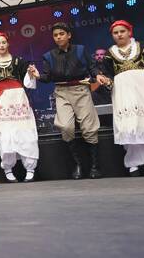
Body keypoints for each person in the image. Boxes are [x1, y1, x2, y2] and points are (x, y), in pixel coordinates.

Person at [36, 23, 108, 179]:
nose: (58, 37)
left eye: (61, 34)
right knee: (66, 127)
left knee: (89, 128)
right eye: (55, 35)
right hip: (61, 92)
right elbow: (47, 77)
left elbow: (92, 67)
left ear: (69, 35)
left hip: (81, 90)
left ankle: (95, 166)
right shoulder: (49, 56)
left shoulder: (80, 50)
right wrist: (36, 76)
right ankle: (78, 164)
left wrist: (98, 75)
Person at [101, 20, 144, 176]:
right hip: (122, 91)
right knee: (129, 125)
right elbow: (107, 74)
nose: (119, 34)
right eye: (116, 32)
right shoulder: (109, 54)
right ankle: (134, 164)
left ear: (129, 32)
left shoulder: (143, 46)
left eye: (122, 31)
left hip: (143, 89)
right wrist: (106, 80)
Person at [0, 33, 40, 183]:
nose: (1, 45)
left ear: (8, 44)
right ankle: (8, 169)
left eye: (3, 42)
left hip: (18, 98)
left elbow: (28, 82)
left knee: (24, 131)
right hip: (2, 102)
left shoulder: (19, 61)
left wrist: (30, 73)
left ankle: (30, 168)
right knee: (6, 134)